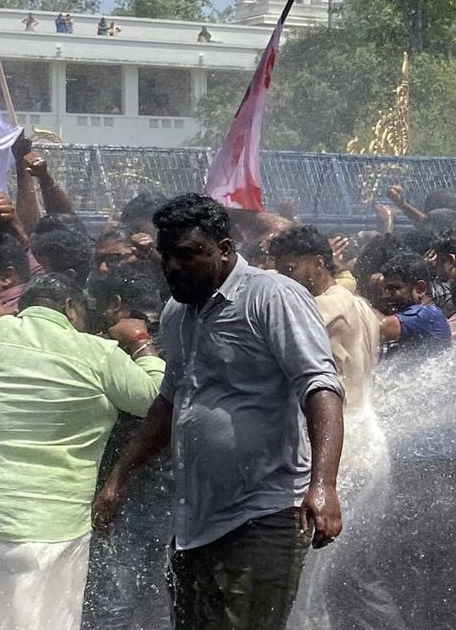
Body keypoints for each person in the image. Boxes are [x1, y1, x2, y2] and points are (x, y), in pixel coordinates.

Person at [92, 194, 346, 630]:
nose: (173, 267)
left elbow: (320, 386)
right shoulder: (177, 313)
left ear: (225, 249)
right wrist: (118, 478)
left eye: (187, 255)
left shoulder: (273, 297)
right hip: (195, 523)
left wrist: (323, 485)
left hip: (263, 514)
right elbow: (169, 401)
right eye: (166, 256)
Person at [0, 273, 163, 630]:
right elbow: (155, 399)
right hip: (53, 521)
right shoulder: (97, 352)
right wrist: (140, 342)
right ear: (71, 308)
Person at [82, 263, 173, 630]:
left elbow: (156, 407)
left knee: (110, 602)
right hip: (172, 493)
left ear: (116, 304)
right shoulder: (179, 340)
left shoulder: (113, 349)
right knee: (158, 599)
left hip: (122, 493)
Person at [269, 225, 381, 478]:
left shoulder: (322, 307)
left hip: (337, 444)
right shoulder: (360, 304)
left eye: (289, 270)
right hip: (365, 437)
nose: (284, 280)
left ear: (318, 263)